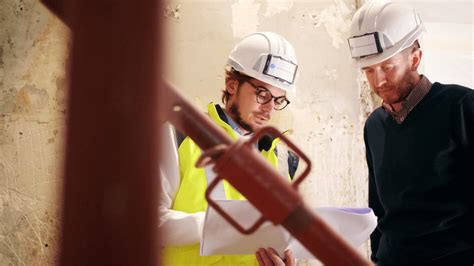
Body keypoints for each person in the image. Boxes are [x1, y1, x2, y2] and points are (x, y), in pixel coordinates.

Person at [347, 1, 474, 265]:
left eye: (387, 67)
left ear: (415, 58)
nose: (377, 81)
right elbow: (379, 210)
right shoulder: (374, 125)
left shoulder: (462, 107)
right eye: (369, 70)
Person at [159, 32, 299, 266]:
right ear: (232, 85)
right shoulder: (180, 134)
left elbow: (282, 234)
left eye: (278, 100)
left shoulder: (281, 157)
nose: (269, 109)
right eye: (262, 94)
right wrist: (221, 225)